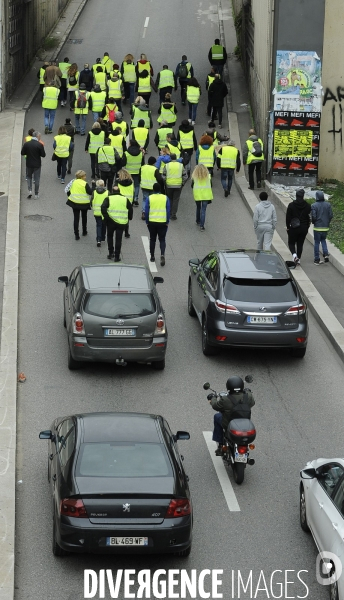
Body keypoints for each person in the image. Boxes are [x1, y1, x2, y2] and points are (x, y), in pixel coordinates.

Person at [210, 376, 255, 456]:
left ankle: (220, 445)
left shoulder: (225, 399)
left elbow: (215, 406)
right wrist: (248, 392)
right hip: (245, 425)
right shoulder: (248, 396)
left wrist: (213, 398)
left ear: (228, 387)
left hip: (228, 425)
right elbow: (252, 403)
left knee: (217, 417)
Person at [101, 184, 133, 261]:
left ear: (112, 191)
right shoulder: (125, 199)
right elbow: (130, 209)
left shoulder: (108, 198)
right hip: (121, 222)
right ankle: (117, 256)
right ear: (119, 191)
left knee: (110, 237)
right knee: (118, 239)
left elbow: (103, 208)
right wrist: (129, 218)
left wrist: (107, 217)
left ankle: (110, 253)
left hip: (111, 222)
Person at [145, 183, 170, 266]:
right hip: (162, 222)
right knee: (162, 239)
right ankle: (162, 254)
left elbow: (147, 210)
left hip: (152, 222)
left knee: (152, 239)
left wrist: (147, 221)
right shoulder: (165, 198)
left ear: (153, 189)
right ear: (160, 189)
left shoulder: (149, 198)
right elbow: (168, 210)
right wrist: (167, 221)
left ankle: (152, 256)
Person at [286, 189, 311, 265]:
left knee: (291, 243)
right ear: (303, 196)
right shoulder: (308, 206)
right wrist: (307, 226)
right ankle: (298, 259)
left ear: (296, 196)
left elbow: (288, 217)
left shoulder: (291, 205)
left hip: (294, 227)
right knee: (300, 243)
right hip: (304, 227)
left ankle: (294, 256)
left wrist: (288, 226)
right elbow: (309, 218)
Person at [66, 170, 92, 239]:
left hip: (74, 203)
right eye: (85, 176)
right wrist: (94, 186)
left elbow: (68, 190)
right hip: (84, 203)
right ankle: (84, 231)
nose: (85, 177)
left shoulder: (73, 182)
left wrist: (70, 197)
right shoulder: (85, 184)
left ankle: (76, 234)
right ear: (82, 177)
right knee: (84, 217)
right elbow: (90, 192)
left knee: (76, 218)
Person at [21, 131, 46, 199]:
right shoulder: (39, 145)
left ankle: (30, 190)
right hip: (37, 164)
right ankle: (36, 194)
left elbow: (22, 153)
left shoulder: (27, 144)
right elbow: (43, 155)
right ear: (37, 136)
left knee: (29, 177)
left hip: (29, 164)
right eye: (39, 136)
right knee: (37, 179)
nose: (40, 138)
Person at [162, 153, 187, 220]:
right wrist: (182, 183)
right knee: (176, 200)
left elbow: (163, 176)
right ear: (176, 158)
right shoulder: (181, 165)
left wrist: (165, 183)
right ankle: (174, 214)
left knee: (169, 199)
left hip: (169, 185)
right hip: (178, 185)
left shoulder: (166, 165)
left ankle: (169, 213)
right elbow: (185, 176)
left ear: (170, 158)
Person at [311, 191, 333, 265]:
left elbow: (313, 216)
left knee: (317, 243)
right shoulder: (328, 205)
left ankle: (317, 259)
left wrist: (314, 222)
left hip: (317, 227)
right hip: (325, 227)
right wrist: (327, 222)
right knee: (323, 240)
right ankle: (326, 254)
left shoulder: (314, 205)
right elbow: (330, 215)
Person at [122, 140, 145, 206]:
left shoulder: (126, 153)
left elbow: (123, 163)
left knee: (130, 185)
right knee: (137, 185)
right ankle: (136, 198)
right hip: (137, 171)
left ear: (130, 144)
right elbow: (142, 163)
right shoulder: (140, 153)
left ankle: (131, 199)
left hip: (128, 172)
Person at [191, 164, 213, 231]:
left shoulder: (194, 177)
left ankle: (198, 220)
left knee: (198, 208)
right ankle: (202, 226)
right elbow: (211, 185)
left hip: (197, 195)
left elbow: (192, 186)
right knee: (203, 210)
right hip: (206, 195)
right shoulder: (208, 177)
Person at [116, 169, 134, 238]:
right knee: (126, 216)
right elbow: (133, 191)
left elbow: (115, 190)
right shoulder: (131, 182)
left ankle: (119, 228)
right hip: (129, 200)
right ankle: (126, 232)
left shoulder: (118, 182)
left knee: (119, 214)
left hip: (120, 200)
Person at [90, 179, 107, 247]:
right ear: (104, 185)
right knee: (104, 225)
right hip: (105, 212)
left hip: (97, 212)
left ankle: (98, 239)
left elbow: (91, 201)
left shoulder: (94, 192)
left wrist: (93, 207)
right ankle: (103, 237)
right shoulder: (107, 192)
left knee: (98, 225)